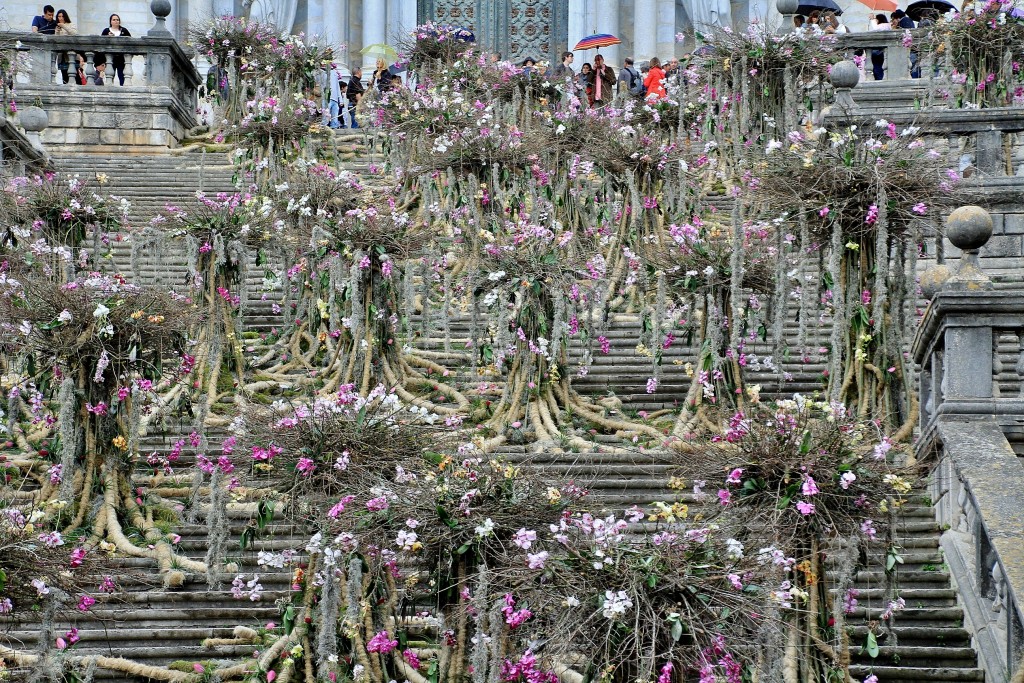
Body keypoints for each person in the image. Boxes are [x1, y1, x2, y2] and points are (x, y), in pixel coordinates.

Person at [101, 14, 131, 86]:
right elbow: (101, 42)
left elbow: (130, 41)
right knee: (110, 76)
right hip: (110, 58)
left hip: (121, 58)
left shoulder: (124, 30)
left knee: (122, 76)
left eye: (117, 20)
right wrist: (108, 37)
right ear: (110, 21)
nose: (116, 21)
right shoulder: (106, 31)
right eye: (114, 20)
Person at [54, 10, 76, 84]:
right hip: (62, 56)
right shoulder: (57, 27)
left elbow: (74, 34)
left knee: (75, 77)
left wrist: (64, 26)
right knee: (65, 77)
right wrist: (57, 31)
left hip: (72, 55)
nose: (61, 18)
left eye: (62, 16)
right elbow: (56, 41)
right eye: (59, 16)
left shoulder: (71, 24)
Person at [869, 13, 890, 81]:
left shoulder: (884, 25)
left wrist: (872, 19)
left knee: (877, 68)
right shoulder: (888, 26)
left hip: (878, 50)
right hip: (883, 50)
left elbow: (876, 29)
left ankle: (879, 79)